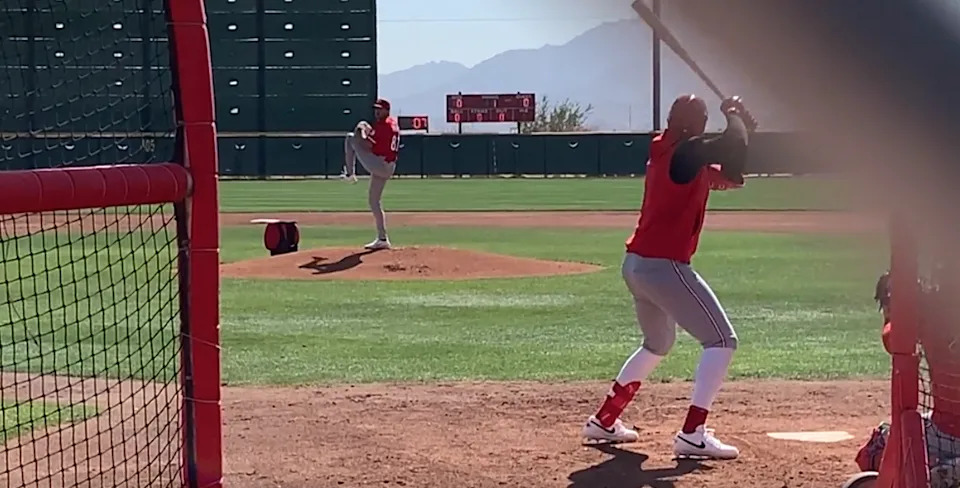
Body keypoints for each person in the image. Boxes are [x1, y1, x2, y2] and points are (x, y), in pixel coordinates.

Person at [580, 94, 757, 460]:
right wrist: (734, 114)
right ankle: (693, 433)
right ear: (695, 124)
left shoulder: (677, 153)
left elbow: (733, 170)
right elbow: (729, 142)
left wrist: (742, 130)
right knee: (722, 340)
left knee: (657, 344)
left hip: (637, 265)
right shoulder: (686, 152)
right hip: (664, 265)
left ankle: (604, 421)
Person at [343, 98, 400, 250]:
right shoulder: (391, 123)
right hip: (387, 165)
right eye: (376, 109)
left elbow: (367, 144)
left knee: (350, 138)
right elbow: (376, 141)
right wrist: (366, 129)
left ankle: (349, 174)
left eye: (380, 109)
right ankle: (382, 239)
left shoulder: (384, 126)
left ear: (387, 110)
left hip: (380, 164)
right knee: (374, 201)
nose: (377, 111)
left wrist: (361, 132)